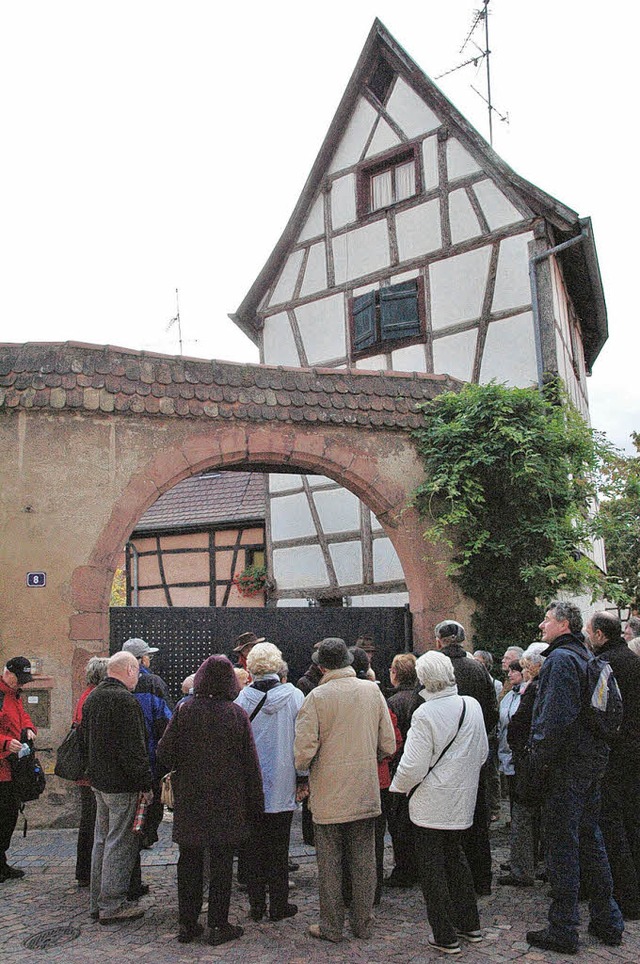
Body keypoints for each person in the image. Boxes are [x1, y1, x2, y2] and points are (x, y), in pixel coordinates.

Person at [525, 601, 624, 954]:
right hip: (590, 763)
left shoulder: (562, 660)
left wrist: (539, 762)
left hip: (567, 769)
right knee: (590, 840)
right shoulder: (583, 655)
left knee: (563, 847)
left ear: (563, 624)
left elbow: (555, 719)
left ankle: (564, 927)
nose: (542, 625)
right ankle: (607, 919)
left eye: (547, 620)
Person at [157, 654, 264, 947]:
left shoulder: (185, 710)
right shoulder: (235, 714)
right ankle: (218, 924)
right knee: (221, 865)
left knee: (189, 862)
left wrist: (185, 765)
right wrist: (256, 801)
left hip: (192, 799)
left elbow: (164, 752)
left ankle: (187, 924)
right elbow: (250, 763)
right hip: (227, 800)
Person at [294, 637, 396, 943]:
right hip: (365, 788)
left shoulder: (317, 697)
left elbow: (302, 754)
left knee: (330, 862)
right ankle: (363, 923)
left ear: (321, 665)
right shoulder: (372, 691)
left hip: (328, 793)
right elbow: (388, 744)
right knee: (364, 859)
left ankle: (332, 926)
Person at [390, 651, 488, 955]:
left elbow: (412, 765)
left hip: (430, 800)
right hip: (461, 796)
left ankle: (444, 934)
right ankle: (469, 924)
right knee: (456, 858)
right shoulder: (471, 705)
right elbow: (482, 752)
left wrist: (397, 788)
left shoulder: (426, 713)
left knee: (432, 868)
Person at [78, 651, 153, 924]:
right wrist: (145, 783)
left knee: (102, 841)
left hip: (99, 782)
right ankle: (111, 905)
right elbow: (134, 750)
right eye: (137, 672)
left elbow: (84, 740)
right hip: (121, 784)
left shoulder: (93, 697)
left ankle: (97, 903)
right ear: (130, 670)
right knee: (119, 844)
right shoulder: (124, 700)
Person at [428, 620, 498, 896]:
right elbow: (492, 710)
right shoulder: (477, 668)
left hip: (441, 754)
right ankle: (481, 878)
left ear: (439, 640)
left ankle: (448, 878)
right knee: (477, 816)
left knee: (444, 818)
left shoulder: (434, 666)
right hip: (472, 751)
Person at [235, 642, 303, 922]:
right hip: (284, 780)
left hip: (251, 785)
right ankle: (278, 904)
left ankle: (256, 906)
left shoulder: (241, 701)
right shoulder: (295, 696)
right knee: (279, 847)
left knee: (252, 850)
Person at [585, 611, 640, 919]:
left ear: (600, 635)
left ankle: (626, 896)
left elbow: (599, 711)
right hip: (632, 752)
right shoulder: (632, 660)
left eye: (589, 632)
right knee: (633, 823)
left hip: (615, 755)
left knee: (613, 827)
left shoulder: (606, 664)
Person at [501, 652, 545, 887]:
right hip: (529, 759)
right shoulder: (534, 690)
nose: (523, 672)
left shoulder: (533, 691)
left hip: (527, 762)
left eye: (527, 668)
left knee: (524, 816)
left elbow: (518, 723)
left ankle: (523, 869)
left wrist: (517, 748)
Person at [72, 656, 109, 887]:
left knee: (89, 822)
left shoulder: (87, 695)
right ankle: (86, 872)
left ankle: (85, 871)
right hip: (90, 771)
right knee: (91, 823)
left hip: (86, 770)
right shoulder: (93, 698)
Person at [0, 657, 37, 882]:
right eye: (19, 679)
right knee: (2, 817)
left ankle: (2, 862)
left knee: (9, 817)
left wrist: (29, 728)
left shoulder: (14, 695)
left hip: (13, 766)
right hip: (2, 767)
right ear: (8, 673)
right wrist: (4, 742)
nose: (22, 684)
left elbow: (22, 716)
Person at [385, 653, 419, 887]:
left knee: (399, 822)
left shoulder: (393, 702)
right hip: (417, 763)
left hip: (398, 765)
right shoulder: (420, 698)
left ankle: (405, 868)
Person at [473, 650, 502, 822]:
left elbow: (493, 710)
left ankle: (494, 806)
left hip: (488, 733)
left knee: (491, 772)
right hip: (482, 730)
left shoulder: (495, 684)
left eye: (479, 662)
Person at [121, 638, 173, 709]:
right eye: (149, 656)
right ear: (144, 659)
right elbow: (166, 713)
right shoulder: (153, 682)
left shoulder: (117, 679)